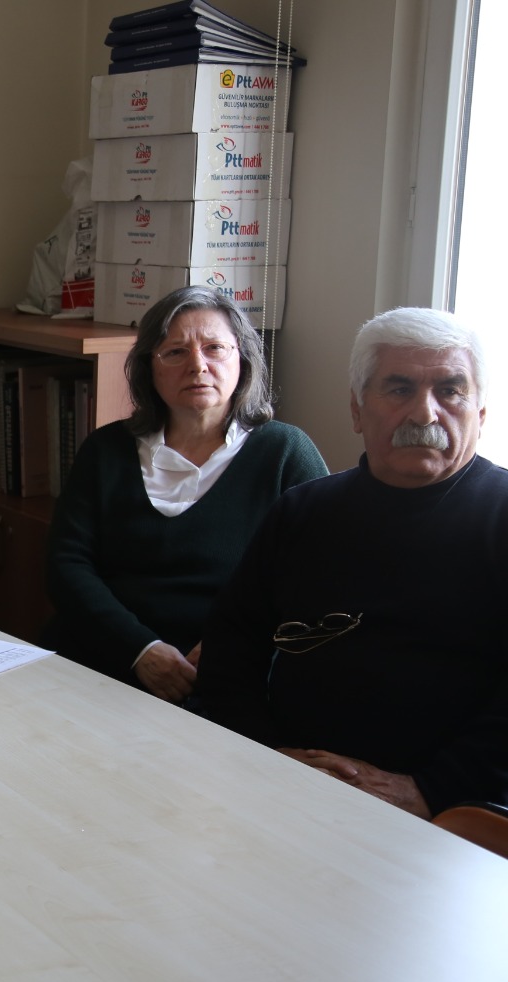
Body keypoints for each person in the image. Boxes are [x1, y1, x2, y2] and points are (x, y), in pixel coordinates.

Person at [199, 306, 508, 817]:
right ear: (357, 409)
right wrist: (267, 755)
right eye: (400, 389)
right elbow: (231, 648)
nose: (425, 414)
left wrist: (427, 791)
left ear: (482, 413)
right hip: (288, 783)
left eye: (450, 391)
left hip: (453, 814)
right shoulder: (303, 512)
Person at [44, 286, 326, 702]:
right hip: (104, 657)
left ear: (242, 358)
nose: (198, 365)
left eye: (215, 348)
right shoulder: (105, 450)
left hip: (233, 673)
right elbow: (66, 566)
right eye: (175, 352)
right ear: (149, 367)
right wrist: (140, 650)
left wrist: (231, 646)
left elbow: (319, 578)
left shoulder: (285, 453)